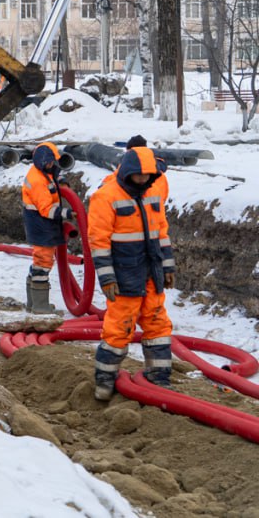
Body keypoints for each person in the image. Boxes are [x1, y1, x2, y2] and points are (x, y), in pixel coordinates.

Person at [87, 145, 175, 401]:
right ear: (128, 171)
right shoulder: (106, 197)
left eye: (148, 176)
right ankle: (104, 382)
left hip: (151, 272)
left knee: (158, 323)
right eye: (139, 176)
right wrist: (107, 278)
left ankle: (159, 378)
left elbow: (162, 233)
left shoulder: (152, 193)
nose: (143, 180)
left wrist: (167, 266)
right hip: (124, 274)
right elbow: (99, 243)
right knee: (119, 328)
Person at [21, 142, 72, 313]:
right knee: (42, 263)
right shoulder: (37, 181)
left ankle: (33, 304)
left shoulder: (42, 172)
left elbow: (52, 179)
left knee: (39, 263)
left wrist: (61, 181)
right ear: (44, 162)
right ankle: (40, 307)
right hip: (41, 224)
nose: (53, 165)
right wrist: (67, 214)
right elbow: (46, 209)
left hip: (42, 225)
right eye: (51, 162)